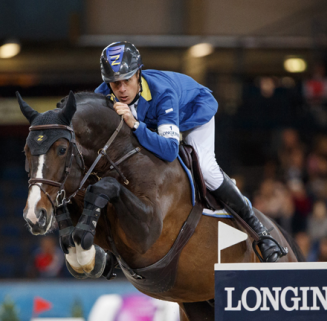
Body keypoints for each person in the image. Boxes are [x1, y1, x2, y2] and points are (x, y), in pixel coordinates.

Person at [95, 42, 286, 262]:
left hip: (192, 114)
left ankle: (261, 232)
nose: (121, 90)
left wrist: (136, 125)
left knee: (206, 168)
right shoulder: (104, 94)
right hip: (157, 122)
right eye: (114, 84)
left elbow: (169, 150)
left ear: (138, 73)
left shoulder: (162, 93)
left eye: (127, 80)